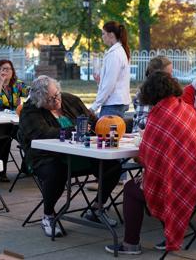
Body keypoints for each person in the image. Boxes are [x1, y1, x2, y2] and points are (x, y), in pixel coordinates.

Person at [105, 71, 196, 255]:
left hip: (187, 185)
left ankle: (130, 244)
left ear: (150, 94)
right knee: (158, 179)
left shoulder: (159, 115)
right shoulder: (185, 107)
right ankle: (168, 234)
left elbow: (146, 158)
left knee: (131, 189)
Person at [18, 75, 123, 237]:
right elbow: (41, 134)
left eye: (57, 95)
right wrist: (72, 130)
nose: (56, 100)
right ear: (39, 102)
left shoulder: (70, 100)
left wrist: (108, 128)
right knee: (56, 172)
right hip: (46, 156)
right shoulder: (30, 110)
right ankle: (48, 215)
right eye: (50, 100)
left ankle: (97, 208)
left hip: (81, 154)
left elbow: (94, 121)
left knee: (113, 166)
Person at [0, 59, 28, 182]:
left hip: (14, 121)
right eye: (3, 69)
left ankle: (27, 166)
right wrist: (1, 81)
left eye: (9, 69)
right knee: (4, 140)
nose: (6, 71)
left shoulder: (18, 84)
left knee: (29, 135)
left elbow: (31, 93)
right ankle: (0, 173)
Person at [89, 21, 131, 118]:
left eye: (103, 34)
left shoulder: (114, 54)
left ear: (111, 35)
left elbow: (110, 84)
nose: (102, 37)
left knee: (106, 132)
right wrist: (100, 81)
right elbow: (114, 79)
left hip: (113, 104)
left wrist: (94, 106)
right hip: (117, 102)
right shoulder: (119, 51)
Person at [132, 55, 172, 133]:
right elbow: (142, 123)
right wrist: (166, 118)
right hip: (140, 137)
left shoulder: (169, 93)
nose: (171, 77)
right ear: (158, 75)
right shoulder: (144, 94)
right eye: (168, 74)